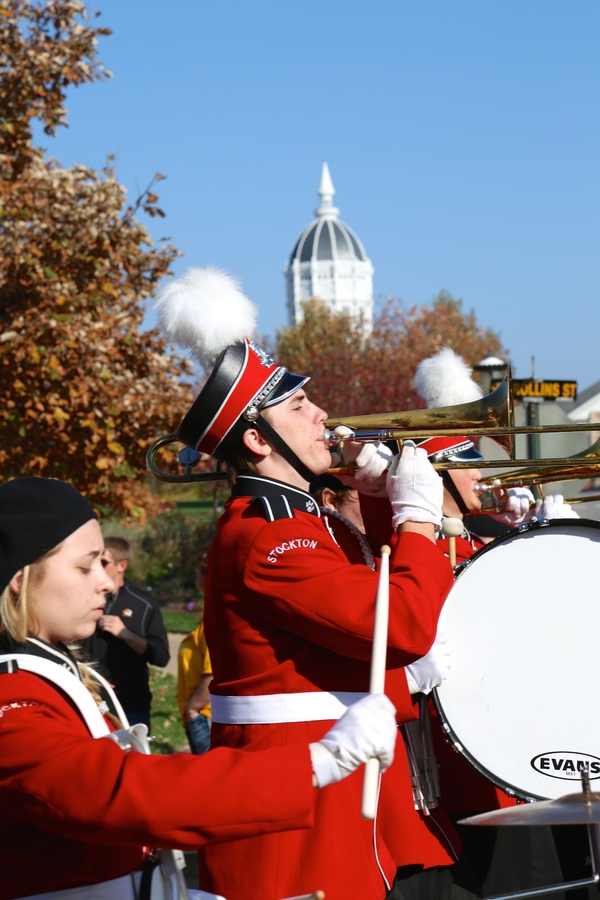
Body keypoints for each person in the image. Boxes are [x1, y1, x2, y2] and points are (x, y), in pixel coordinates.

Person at [155, 267, 476, 900]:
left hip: (338, 801)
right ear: (257, 438)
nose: (322, 413)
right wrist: (419, 513)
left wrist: (383, 498)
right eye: (298, 406)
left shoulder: (303, 522)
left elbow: (375, 577)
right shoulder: (271, 537)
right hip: (297, 821)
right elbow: (403, 623)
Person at [0, 475, 399, 900]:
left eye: (103, 563)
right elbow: (122, 792)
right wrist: (318, 760)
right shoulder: (11, 697)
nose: (107, 582)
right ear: (21, 580)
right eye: (85, 566)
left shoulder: (38, 673)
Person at [413, 348, 579, 898]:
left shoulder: (482, 531)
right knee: (505, 877)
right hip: (472, 746)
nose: (482, 473)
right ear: (438, 475)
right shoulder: (427, 543)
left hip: (524, 737)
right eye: (467, 464)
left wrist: (544, 538)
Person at [80, 536, 170, 727]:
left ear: (122, 566)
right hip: (90, 703)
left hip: (132, 705)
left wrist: (125, 633)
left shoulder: (144, 604)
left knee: (135, 757)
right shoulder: (81, 599)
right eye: (94, 561)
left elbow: (161, 657)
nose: (97, 567)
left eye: (104, 562)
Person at [177, 618, 213, 755]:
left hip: (205, 716)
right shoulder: (206, 621)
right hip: (201, 716)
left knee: (208, 774)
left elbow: (213, 676)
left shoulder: (212, 622)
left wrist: (192, 708)